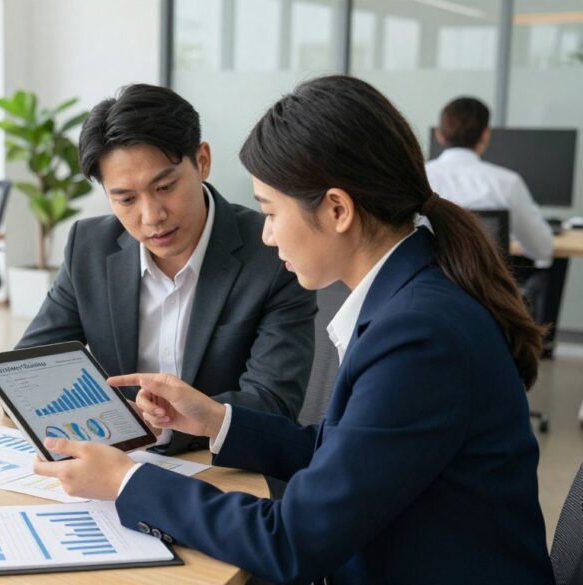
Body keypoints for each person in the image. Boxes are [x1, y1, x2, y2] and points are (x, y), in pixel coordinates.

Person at [34, 76, 554, 584]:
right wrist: (217, 420)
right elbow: (346, 451)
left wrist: (125, 481)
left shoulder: (418, 335)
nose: (265, 232)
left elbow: (291, 542)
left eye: (270, 210)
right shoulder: (411, 299)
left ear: (336, 208)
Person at [16, 84, 316, 455]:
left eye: (165, 186)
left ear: (202, 161)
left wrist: (169, 424)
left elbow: (274, 402)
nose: (151, 217)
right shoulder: (89, 246)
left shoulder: (272, 253)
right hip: (117, 461)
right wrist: (116, 421)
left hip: (221, 467)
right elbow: (28, 369)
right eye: (125, 199)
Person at [427, 96, 554, 265]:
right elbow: (542, 249)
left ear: (439, 135)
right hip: (484, 289)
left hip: (427, 285)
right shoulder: (507, 183)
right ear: (486, 135)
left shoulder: (417, 177)